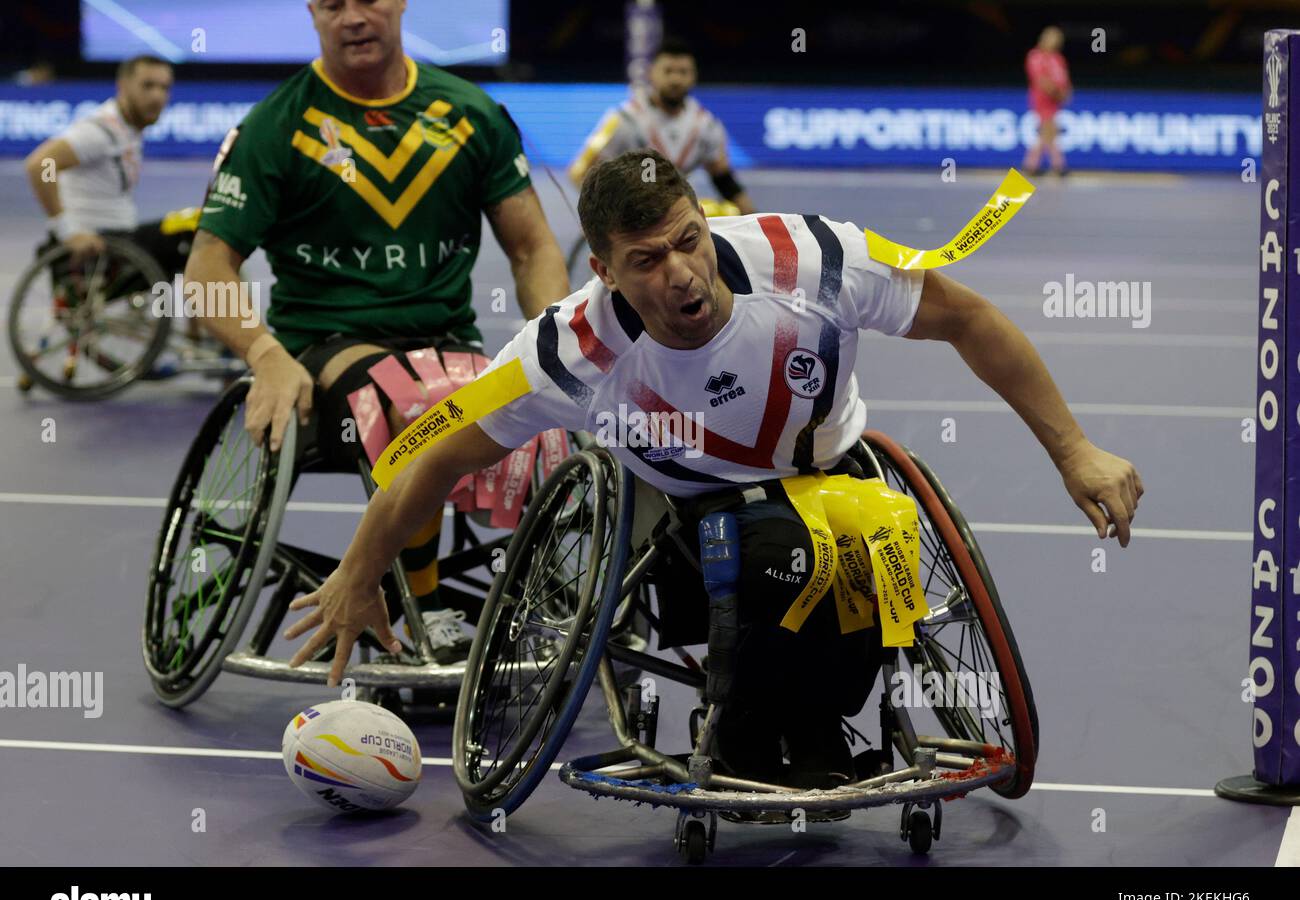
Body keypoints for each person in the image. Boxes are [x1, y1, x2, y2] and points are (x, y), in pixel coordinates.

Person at [284, 149, 1143, 786]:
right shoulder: (568, 353)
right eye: (648, 261)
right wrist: (361, 570)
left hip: (835, 471)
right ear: (606, 270)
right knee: (772, 551)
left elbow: (968, 317)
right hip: (682, 505)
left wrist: (1075, 448)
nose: (682, 274)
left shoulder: (809, 259)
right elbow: (436, 455)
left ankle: (814, 728)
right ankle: (747, 734)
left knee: (860, 546)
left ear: (705, 220)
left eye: (687, 241)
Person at [184, 0, 569, 661]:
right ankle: (423, 600)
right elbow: (207, 266)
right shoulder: (277, 125)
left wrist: (554, 344)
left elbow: (533, 249)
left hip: (449, 345)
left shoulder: (470, 114)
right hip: (327, 350)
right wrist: (263, 351)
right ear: (312, 13)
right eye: (333, 4)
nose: (352, 17)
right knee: (425, 405)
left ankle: (551, 582)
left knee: (531, 401)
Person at [23, 55, 194, 274]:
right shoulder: (100, 131)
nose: (157, 96)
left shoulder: (129, 129)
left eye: (164, 88)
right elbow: (42, 164)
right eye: (148, 86)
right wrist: (67, 230)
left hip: (123, 239)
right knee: (195, 228)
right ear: (122, 86)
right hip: (102, 246)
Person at [568, 36, 755, 215]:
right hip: (634, 216)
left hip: (680, 214)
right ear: (651, 73)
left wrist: (754, 218)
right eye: (668, 71)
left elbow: (723, 179)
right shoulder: (624, 120)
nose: (675, 79)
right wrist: (609, 214)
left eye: (683, 72)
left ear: (693, 76)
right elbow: (580, 173)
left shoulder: (706, 125)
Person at [1023, 26, 1072, 176]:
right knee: (1049, 130)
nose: (1055, 43)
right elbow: (1040, 80)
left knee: (1047, 133)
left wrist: (1065, 92)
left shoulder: (1058, 59)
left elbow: (1064, 79)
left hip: (1055, 101)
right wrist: (1056, 92)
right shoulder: (1035, 56)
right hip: (1042, 100)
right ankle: (1057, 165)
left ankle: (1032, 165)